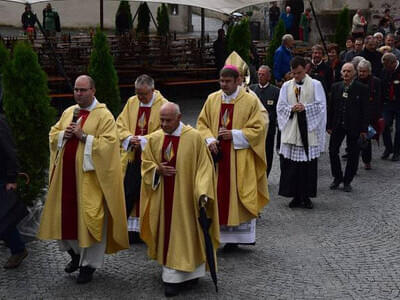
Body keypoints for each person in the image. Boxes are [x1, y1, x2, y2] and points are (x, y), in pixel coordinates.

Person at [37, 75, 129, 284]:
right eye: (76, 90)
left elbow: (109, 146)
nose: (78, 93)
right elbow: (54, 133)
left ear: (93, 91)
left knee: (91, 222)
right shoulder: (70, 112)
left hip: (90, 181)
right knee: (63, 219)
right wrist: (64, 134)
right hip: (66, 179)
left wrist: (84, 137)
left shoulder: (104, 116)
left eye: (83, 90)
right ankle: (75, 255)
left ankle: (89, 266)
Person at [140, 102, 219, 297]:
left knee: (188, 235)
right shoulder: (155, 139)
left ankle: (188, 274)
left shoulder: (194, 138)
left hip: (187, 201)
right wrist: (157, 170)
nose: (164, 124)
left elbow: (204, 167)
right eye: (162, 120)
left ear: (179, 117)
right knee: (168, 235)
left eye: (168, 120)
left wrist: (202, 192)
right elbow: (146, 163)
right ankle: (172, 275)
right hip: (163, 200)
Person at [197, 65, 269, 251]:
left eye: (228, 81)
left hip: (239, 158)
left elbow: (259, 128)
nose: (224, 85)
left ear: (237, 81)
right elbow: (202, 123)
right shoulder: (212, 99)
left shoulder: (249, 100)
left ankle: (237, 238)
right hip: (216, 159)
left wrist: (235, 135)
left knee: (238, 194)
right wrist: (210, 139)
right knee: (216, 194)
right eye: (221, 81)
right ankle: (216, 235)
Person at [116, 75, 168, 239]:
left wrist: (145, 140)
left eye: (144, 94)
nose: (140, 97)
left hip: (152, 159)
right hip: (132, 157)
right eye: (138, 93)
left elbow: (167, 130)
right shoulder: (132, 103)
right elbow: (120, 124)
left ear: (153, 90)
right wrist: (129, 138)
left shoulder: (164, 106)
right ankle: (129, 230)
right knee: (129, 192)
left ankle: (150, 229)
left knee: (148, 194)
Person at [277, 56, 326, 209]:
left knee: (307, 167)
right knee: (292, 167)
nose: (295, 76)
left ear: (305, 69)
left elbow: (321, 106)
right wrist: (291, 109)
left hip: (308, 130)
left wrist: (305, 108)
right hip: (292, 129)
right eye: (293, 73)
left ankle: (306, 197)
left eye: (298, 73)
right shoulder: (286, 86)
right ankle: (295, 196)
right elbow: (280, 107)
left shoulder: (316, 85)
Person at [327, 63, 369, 192]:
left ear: (354, 73)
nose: (346, 74)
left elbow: (365, 110)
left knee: (353, 153)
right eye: (344, 71)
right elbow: (331, 107)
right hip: (338, 124)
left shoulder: (362, 88)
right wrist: (329, 125)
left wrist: (363, 129)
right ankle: (337, 177)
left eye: (349, 71)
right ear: (341, 73)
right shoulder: (336, 87)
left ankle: (347, 180)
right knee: (333, 150)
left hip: (354, 125)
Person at [0, 102, 28, 269]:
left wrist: (11, 179)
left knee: (4, 219)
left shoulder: (0, 123)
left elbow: (9, 152)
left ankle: (18, 249)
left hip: (2, 177)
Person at [250, 65, 280, 177]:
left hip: (269, 130)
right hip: (253, 129)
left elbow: (278, 111)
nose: (260, 76)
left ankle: (265, 175)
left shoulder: (276, 91)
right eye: (259, 74)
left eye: (263, 74)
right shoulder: (251, 90)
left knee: (267, 152)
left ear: (269, 76)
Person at [357, 59, 382, 170]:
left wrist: (374, 115)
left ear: (369, 71)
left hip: (370, 114)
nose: (362, 73)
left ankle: (367, 161)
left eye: (364, 71)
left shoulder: (375, 82)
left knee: (366, 138)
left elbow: (378, 100)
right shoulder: (355, 80)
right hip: (356, 113)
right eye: (360, 71)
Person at [381, 53, 400, 161]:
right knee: (384, 125)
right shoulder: (384, 71)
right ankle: (388, 148)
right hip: (388, 103)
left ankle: (397, 151)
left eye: (387, 66)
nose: (386, 68)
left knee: (398, 129)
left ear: (394, 63)